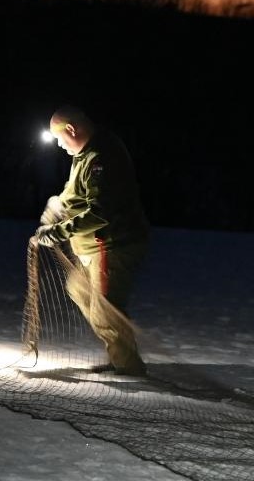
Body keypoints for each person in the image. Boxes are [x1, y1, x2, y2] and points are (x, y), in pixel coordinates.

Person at [35, 105, 151, 376]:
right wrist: (58, 206)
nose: (61, 146)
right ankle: (119, 354)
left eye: (61, 140)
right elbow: (74, 192)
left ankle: (128, 369)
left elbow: (101, 212)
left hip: (111, 245)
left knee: (104, 307)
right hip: (91, 246)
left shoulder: (101, 156)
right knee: (78, 288)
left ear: (72, 130)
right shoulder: (85, 153)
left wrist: (59, 231)